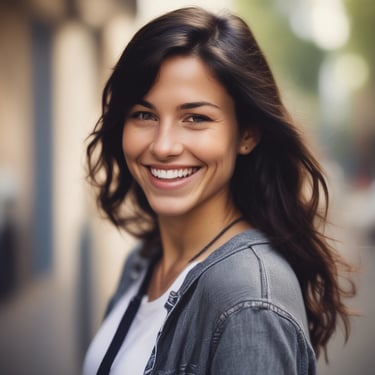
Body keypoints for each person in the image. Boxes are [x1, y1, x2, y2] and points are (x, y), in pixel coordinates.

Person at [83, 6, 355, 375]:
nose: (163, 146)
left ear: (247, 133)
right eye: (144, 114)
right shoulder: (145, 261)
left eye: (195, 118)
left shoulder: (250, 301)